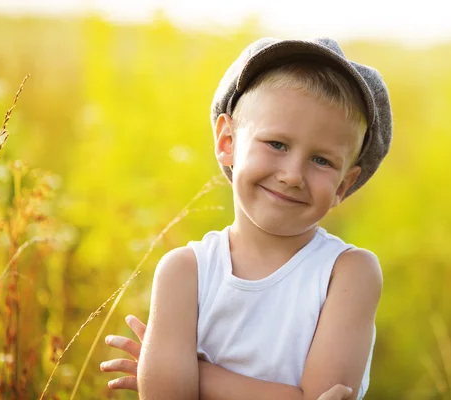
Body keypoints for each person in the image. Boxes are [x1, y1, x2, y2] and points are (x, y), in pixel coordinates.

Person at [100, 37, 392, 399]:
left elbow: (321, 398)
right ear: (227, 142)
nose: (292, 175)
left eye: (322, 160)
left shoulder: (347, 273)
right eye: (277, 144)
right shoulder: (185, 271)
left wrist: (196, 374)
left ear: (344, 185)